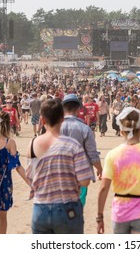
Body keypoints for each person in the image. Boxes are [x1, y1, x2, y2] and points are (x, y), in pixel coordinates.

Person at [26, 99, 94, 234]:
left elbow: (30, 177)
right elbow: (85, 181)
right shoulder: (73, 145)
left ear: (42, 120)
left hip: (40, 208)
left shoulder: (32, 144)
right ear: (62, 119)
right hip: (67, 208)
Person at [60, 94, 103, 206]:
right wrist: (100, 169)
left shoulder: (56, 127)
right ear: (79, 109)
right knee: (77, 208)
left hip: (60, 173)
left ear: (63, 109)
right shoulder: (85, 129)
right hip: (81, 174)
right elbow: (92, 154)